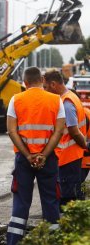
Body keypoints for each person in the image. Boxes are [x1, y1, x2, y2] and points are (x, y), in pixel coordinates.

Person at [6, 67, 65, 245]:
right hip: (48, 160)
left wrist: (29, 155)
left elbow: (12, 131)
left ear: (24, 82)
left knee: (22, 201)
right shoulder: (56, 100)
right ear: (42, 79)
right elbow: (58, 132)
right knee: (50, 200)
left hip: (24, 160)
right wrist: (44, 155)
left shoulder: (16, 99)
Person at [43, 70, 87, 204]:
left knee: (67, 200)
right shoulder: (70, 97)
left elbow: (74, 131)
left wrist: (85, 145)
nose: (44, 91)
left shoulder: (66, 103)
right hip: (72, 157)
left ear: (53, 84)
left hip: (68, 159)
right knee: (72, 197)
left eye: (45, 87)